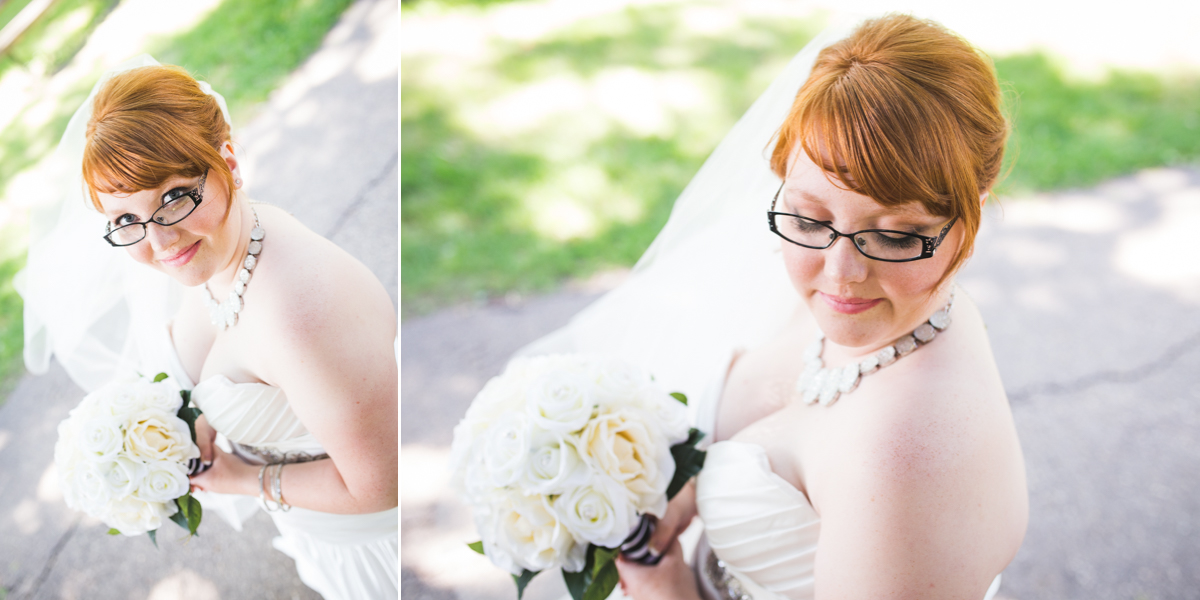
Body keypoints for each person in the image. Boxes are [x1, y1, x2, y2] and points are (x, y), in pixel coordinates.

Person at [519, 14, 1027, 600]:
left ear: (971, 220)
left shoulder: (902, 463)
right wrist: (682, 487)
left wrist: (670, 593)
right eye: (811, 219)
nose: (841, 276)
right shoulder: (899, 309)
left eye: (892, 235)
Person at [20, 56, 397, 599]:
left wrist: (244, 480)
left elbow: (381, 485)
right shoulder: (224, 252)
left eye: (173, 197)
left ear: (229, 162)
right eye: (126, 220)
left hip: (372, 551)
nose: (158, 244)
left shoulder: (301, 316)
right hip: (321, 533)